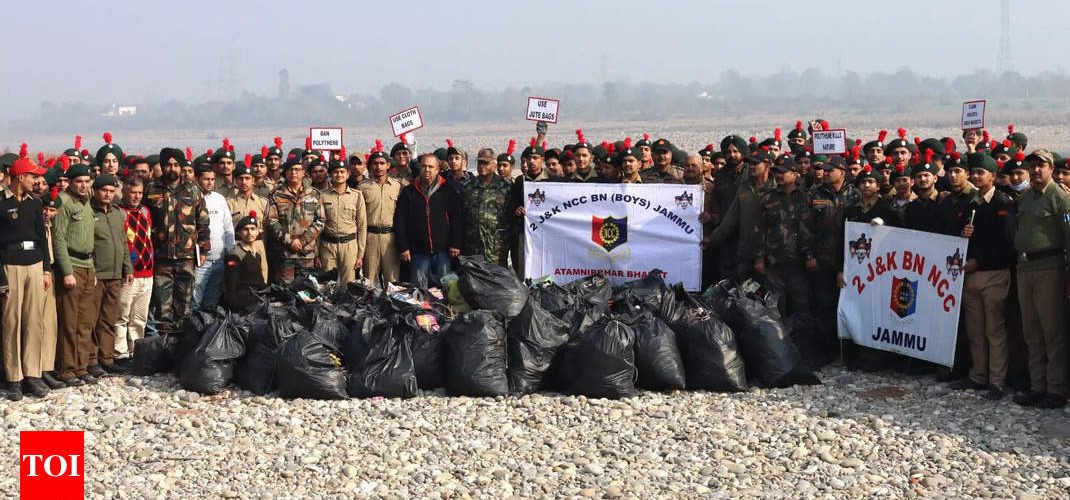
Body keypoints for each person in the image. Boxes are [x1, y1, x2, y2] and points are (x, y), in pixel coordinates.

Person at [955, 152, 1016, 400]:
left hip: (994, 273)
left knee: (994, 329)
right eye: (975, 172)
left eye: (982, 172)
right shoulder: (971, 205)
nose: (977, 176)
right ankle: (978, 375)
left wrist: (979, 261)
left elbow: (1007, 242)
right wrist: (964, 234)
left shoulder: (1003, 203)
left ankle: (997, 380)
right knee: (975, 330)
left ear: (993, 175)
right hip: (972, 274)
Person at [1012, 149, 1070, 409]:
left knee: (1052, 331)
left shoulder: (1059, 197)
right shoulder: (1025, 198)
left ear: (1051, 169)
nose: (1036, 170)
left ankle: (1056, 389)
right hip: (1025, 268)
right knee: (1031, 330)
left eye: (1041, 166)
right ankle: (1038, 386)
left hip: (1050, 267)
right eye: (1032, 166)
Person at [0, 155, 51, 400]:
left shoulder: (35, 203)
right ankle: (13, 378)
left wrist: (46, 269)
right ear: (20, 177)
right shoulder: (0, 202)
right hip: (10, 265)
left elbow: (42, 237)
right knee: (12, 322)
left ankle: (33, 374)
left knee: (34, 321)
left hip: (34, 263)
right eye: (32, 176)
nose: (36, 180)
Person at [144, 148, 210, 332]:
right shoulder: (151, 189)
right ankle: (164, 345)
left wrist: (204, 249)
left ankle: (181, 344)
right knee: (162, 307)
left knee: (184, 305)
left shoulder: (193, 189)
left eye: (175, 165)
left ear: (181, 167)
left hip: (186, 256)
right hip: (161, 256)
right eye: (168, 165)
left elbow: (203, 221)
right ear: (162, 167)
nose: (172, 168)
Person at [53, 163, 99, 386]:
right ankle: (66, 369)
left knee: (85, 321)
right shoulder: (64, 201)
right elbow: (58, 238)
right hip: (72, 265)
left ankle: (81, 366)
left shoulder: (87, 202)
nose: (83, 185)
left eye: (86, 181)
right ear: (70, 182)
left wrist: (94, 269)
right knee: (70, 321)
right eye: (78, 181)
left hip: (88, 266)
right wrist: (66, 271)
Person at [810, 154, 860, 360]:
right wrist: (808, 254)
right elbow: (806, 227)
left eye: (831, 170)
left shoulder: (856, 195)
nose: (825, 173)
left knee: (852, 305)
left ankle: (851, 351)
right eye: (825, 170)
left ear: (842, 172)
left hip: (851, 261)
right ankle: (827, 352)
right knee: (824, 305)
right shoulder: (814, 194)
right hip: (822, 259)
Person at [754, 157, 813, 317]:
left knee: (802, 307)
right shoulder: (767, 198)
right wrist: (759, 258)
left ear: (795, 174)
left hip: (799, 263)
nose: (779, 176)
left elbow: (810, 230)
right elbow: (760, 230)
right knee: (776, 309)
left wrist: (810, 256)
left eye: (783, 172)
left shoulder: (806, 198)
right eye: (776, 173)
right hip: (775, 263)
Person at [394, 153, 463, 286]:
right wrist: (403, 246)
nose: (427, 169)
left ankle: (444, 308)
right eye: (424, 166)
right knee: (419, 291)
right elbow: (400, 221)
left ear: (437, 169)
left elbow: (456, 218)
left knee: (445, 289)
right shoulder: (409, 192)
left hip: (443, 251)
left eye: (431, 166)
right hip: (418, 252)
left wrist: (456, 243)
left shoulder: (448, 190)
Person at [710, 149, 777, 280]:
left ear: (768, 164)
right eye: (750, 163)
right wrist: (712, 240)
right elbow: (730, 220)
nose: (751, 167)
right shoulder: (744, 188)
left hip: (772, 257)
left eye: (756, 163)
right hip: (746, 254)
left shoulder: (777, 188)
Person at [88, 174, 131, 375]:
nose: (108, 194)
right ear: (95, 191)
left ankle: (107, 358)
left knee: (109, 318)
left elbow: (123, 243)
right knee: (92, 318)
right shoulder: (89, 211)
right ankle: (91, 359)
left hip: (115, 274)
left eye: (111, 191)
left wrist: (127, 268)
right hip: (97, 274)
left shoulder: (117, 213)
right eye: (104, 190)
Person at [265, 156, 324, 285]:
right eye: (290, 169)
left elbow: (320, 221)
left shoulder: (314, 194)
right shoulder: (276, 195)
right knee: (286, 292)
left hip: (306, 253)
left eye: (297, 169)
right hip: (284, 253)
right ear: (285, 173)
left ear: (303, 172)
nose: (294, 173)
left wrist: (302, 241)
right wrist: (289, 241)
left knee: (306, 290)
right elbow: (271, 221)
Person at [114, 178, 153, 366]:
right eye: (132, 192)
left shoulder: (146, 212)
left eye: (139, 192)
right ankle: (120, 353)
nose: (136, 196)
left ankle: (136, 351)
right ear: (124, 192)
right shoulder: (118, 213)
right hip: (129, 274)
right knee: (121, 316)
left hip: (148, 273)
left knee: (139, 317)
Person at [359, 143, 403, 285]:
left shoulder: (397, 186)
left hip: (390, 238)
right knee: (369, 280)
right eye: (375, 164)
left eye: (382, 163)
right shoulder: (363, 187)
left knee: (392, 280)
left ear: (388, 165)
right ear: (370, 166)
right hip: (370, 237)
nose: (379, 167)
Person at [191, 165, 234, 310]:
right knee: (195, 301)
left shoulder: (219, 199)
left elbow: (228, 228)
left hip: (219, 261)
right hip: (200, 262)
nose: (210, 182)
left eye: (212, 179)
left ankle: (209, 329)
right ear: (197, 179)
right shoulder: (190, 199)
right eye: (206, 179)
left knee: (212, 301)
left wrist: (230, 251)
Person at [462, 146, 512, 266]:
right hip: (473, 246)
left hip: (496, 247)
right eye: (479, 163)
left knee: (496, 280)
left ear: (494, 164)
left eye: (485, 163)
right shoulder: (468, 187)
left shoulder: (506, 187)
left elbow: (511, 215)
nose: (481, 166)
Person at [320, 159, 367, 284]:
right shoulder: (322, 196)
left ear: (348, 174)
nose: (339, 175)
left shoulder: (357, 196)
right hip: (328, 245)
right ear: (330, 175)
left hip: (349, 245)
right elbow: (318, 225)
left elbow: (362, 226)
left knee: (348, 284)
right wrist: (316, 254)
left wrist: (360, 255)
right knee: (328, 284)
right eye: (335, 172)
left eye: (342, 172)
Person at [226, 160, 269, 283]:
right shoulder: (228, 203)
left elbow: (266, 227)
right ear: (235, 181)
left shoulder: (263, 202)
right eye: (240, 178)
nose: (244, 182)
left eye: (247, 178)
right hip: (237, 245)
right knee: (237, 279)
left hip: (258, 245)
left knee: (262, 278)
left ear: (253, 181)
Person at [222, 212, 266, 312]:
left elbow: (259, 280)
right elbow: (231, 284)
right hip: (242, 304)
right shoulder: (235, 254)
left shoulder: (256, 254)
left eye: (252, 229)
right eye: (245, 229)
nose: (249, 233)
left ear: (258, 232)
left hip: (256, 300)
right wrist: (235, 308)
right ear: (238, 233)